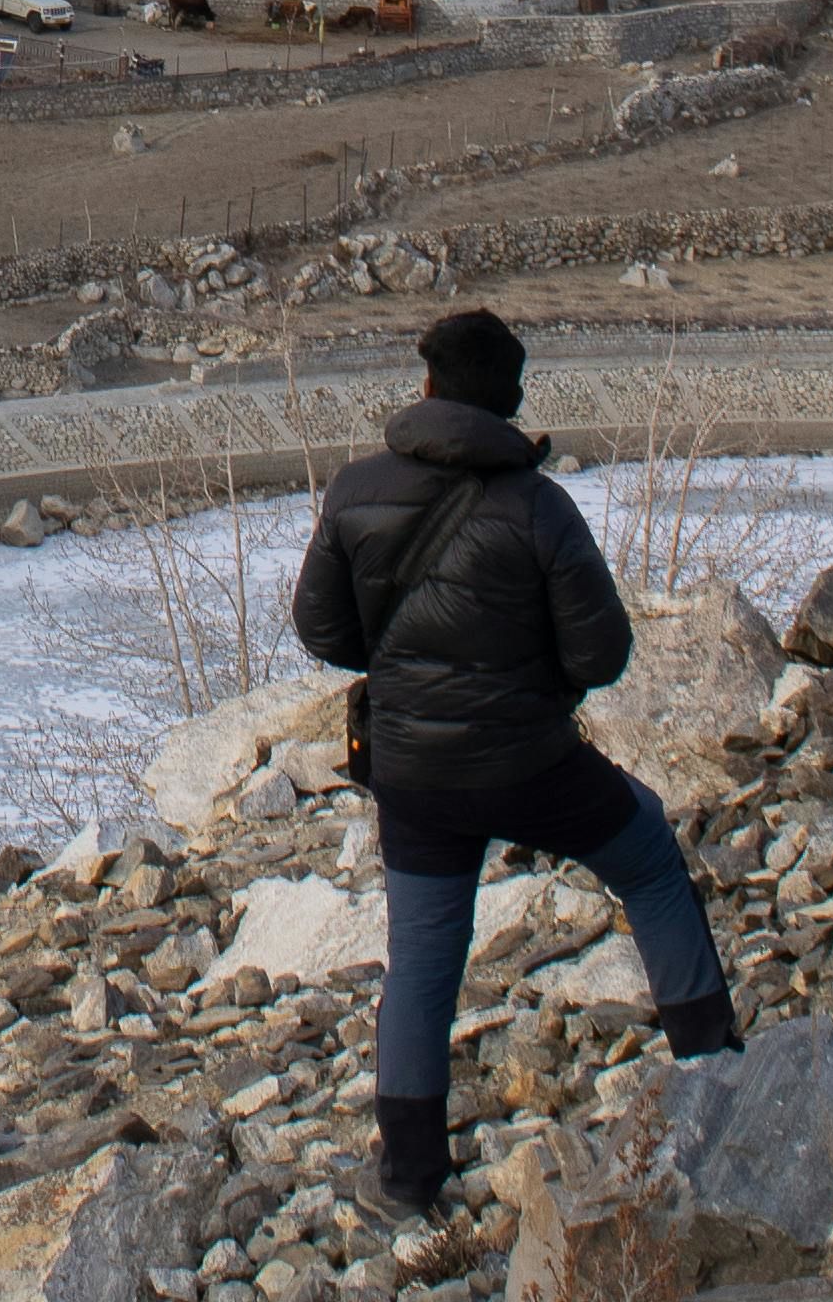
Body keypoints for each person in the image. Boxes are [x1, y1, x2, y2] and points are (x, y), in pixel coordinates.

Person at [289, 307, 741, 1211]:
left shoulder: (353, 492)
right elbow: (600, 656)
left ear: (424, 388)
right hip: (532, 766)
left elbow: (323, 631)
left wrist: (412, 677)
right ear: (510, 401)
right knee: (648, 859)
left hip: (413, 773)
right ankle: (713, 1076)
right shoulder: (539, 506)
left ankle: (412, 1178)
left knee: (421, 960)